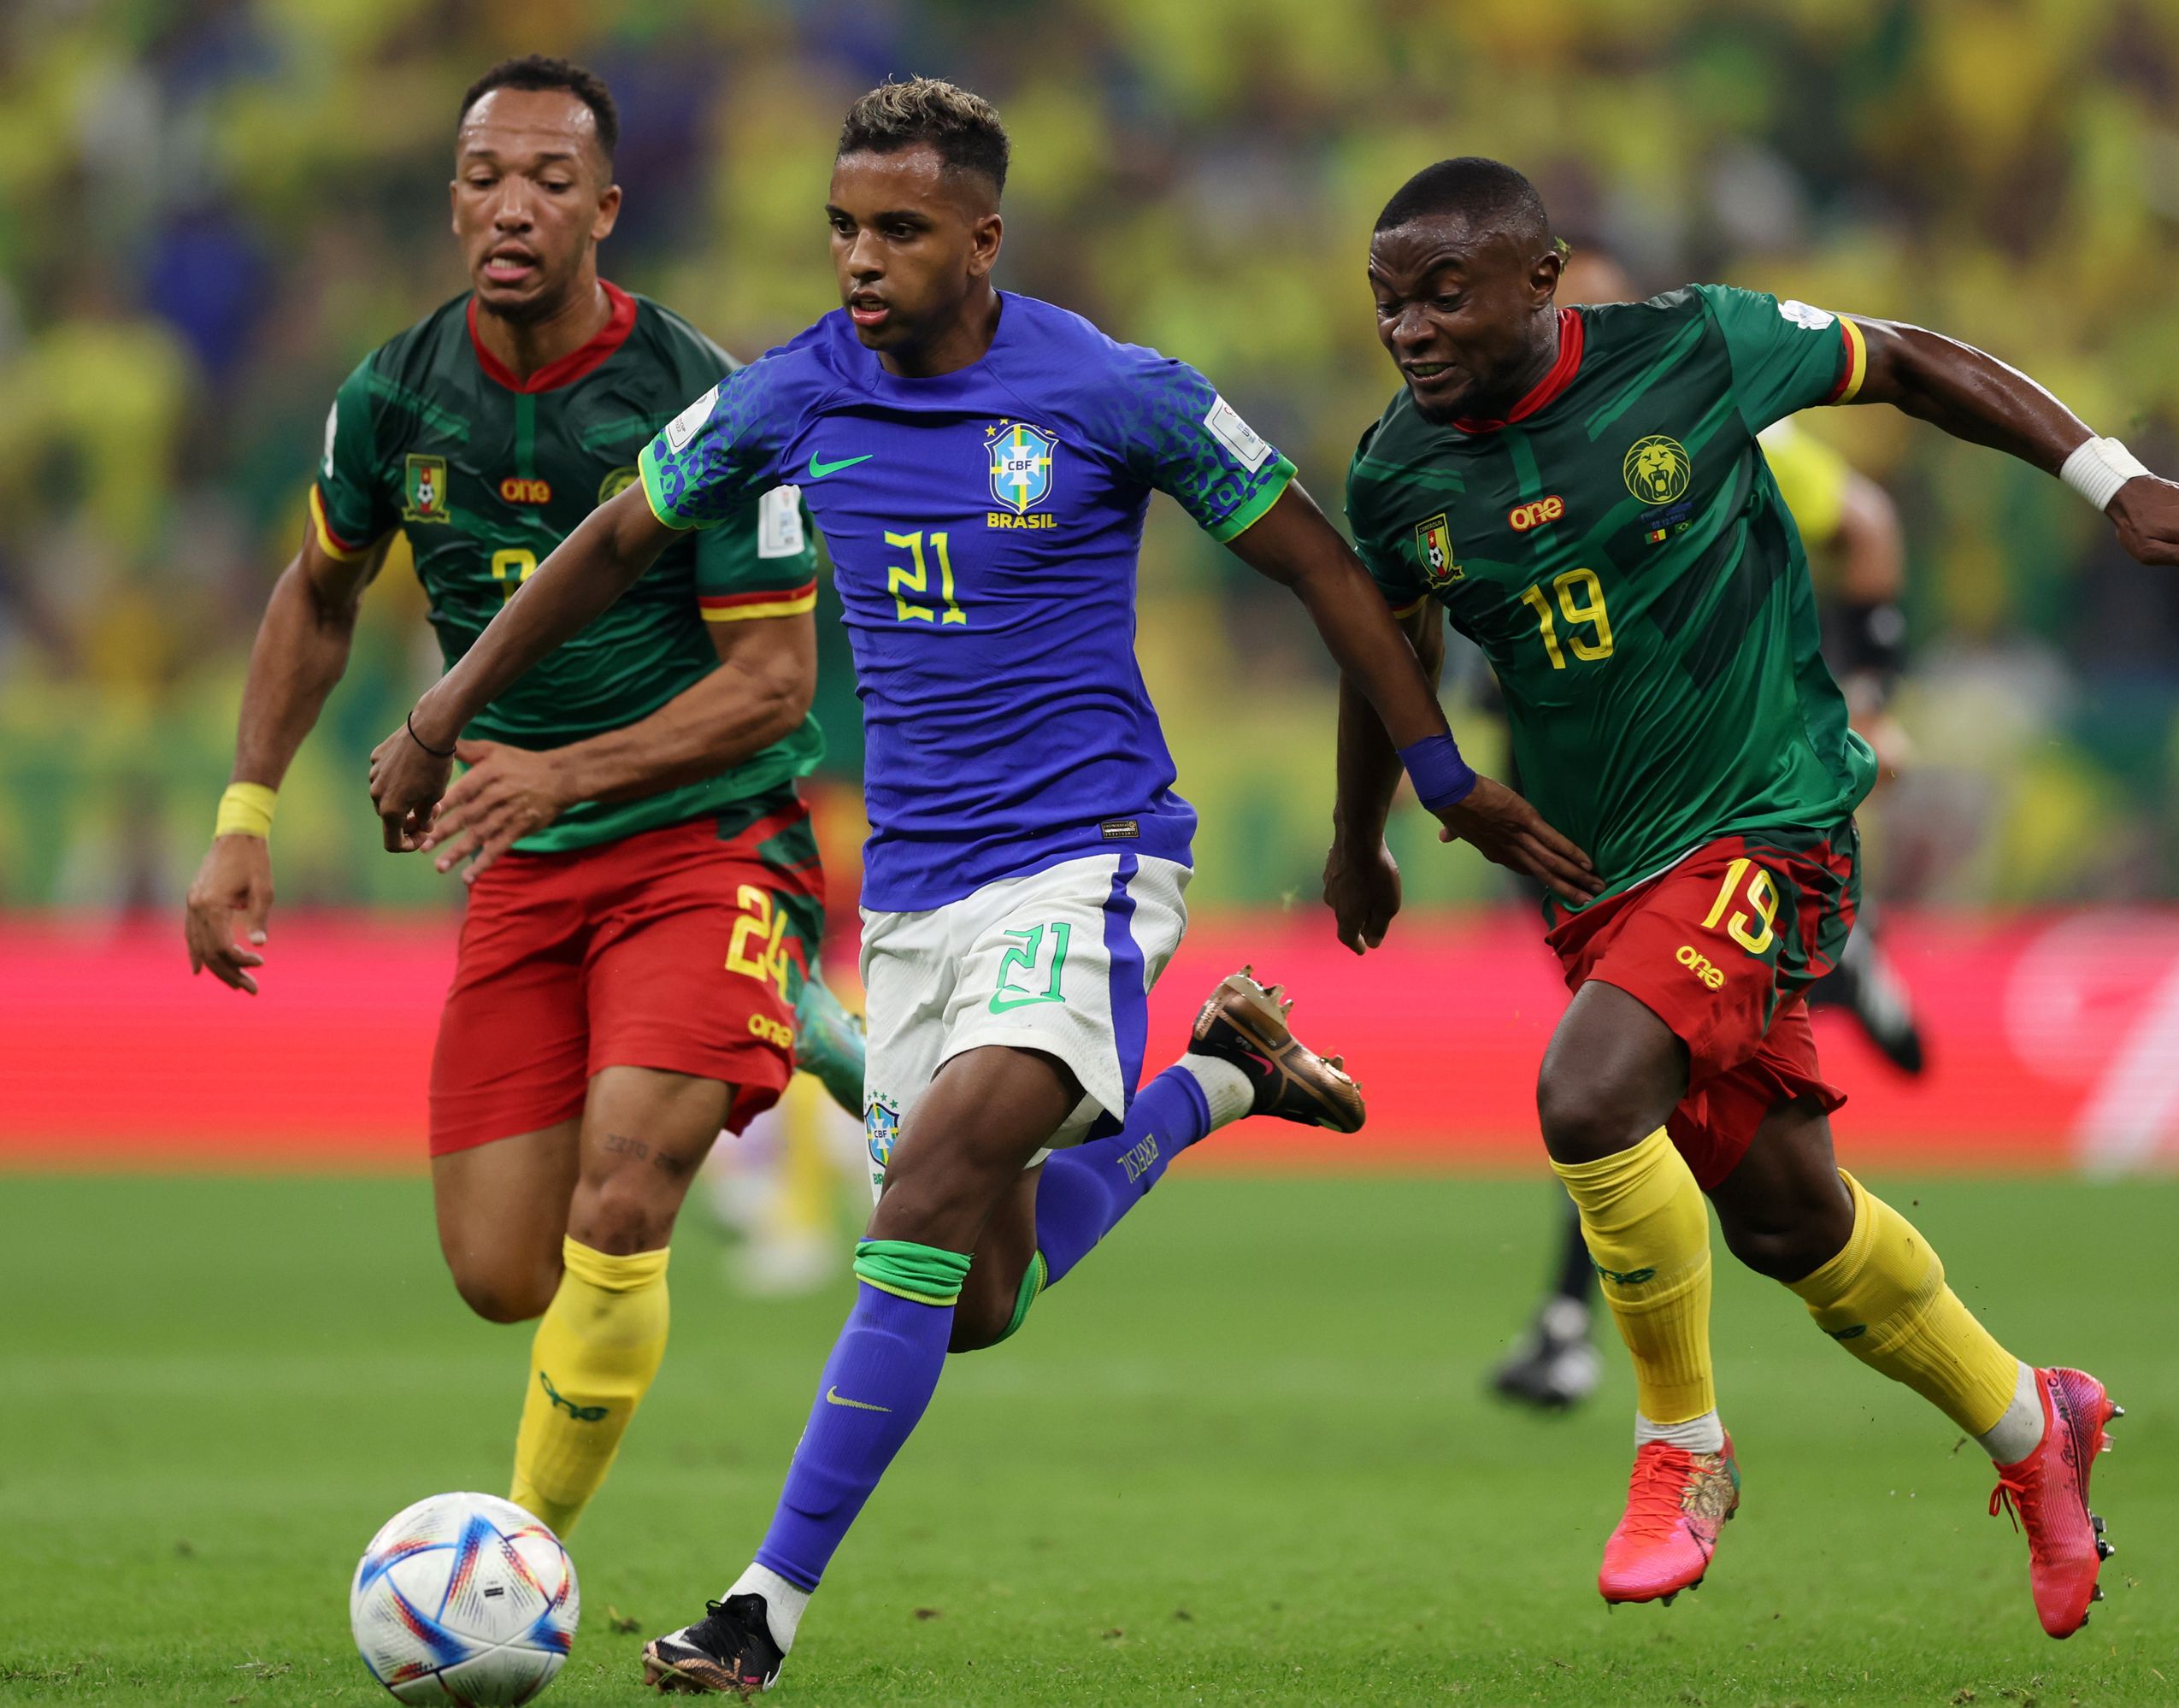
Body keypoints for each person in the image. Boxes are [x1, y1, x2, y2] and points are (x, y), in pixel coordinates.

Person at [366, 81, 1593, 1694]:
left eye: (899, 231)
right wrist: (442, 710)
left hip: (1087, 864)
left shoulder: (1109, 389)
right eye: (843, 228)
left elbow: (1317, 560)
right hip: (921, 904)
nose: (859, 260)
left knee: (930, 1195)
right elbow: (608, 542)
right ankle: (1227, 1075)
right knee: (974, 1295)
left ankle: (758, 1607)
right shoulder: (792, 390)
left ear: (985, 240)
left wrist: (1422, 789)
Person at [1328, 157, 2179, 1636]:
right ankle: (2038, 1425)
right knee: (1791, 1226)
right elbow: (1382, 656)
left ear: (1543, 277)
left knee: (1588, 1096)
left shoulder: (1695, 351)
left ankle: (1681, 1452)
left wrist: (2111, 479)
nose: (1410, 328)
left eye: (1443, 294)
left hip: (1770, 820)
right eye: (1390, 301)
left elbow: (1907, 360)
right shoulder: (1399, 470)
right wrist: (1365, 831)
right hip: (1604, 871)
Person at [181, 55, 868, 1546]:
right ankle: (794, 1026)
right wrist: (245, 815)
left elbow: (771, 689)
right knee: (503, 1272)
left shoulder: (706, 399)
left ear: (607, 209)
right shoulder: (392, 397)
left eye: (551, 181)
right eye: (487, 177)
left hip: (709, 838)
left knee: (622, 1197)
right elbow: (317, 595)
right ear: (450, 202)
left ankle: (516, 1555)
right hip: (527, 861)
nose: (513, 207)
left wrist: (550, 765)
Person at [1493, 245, 1926, 1413]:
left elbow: (1867, 521)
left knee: (1610, 1065)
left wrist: (1874, 690)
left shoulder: (1693, 406)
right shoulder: (1481, 452)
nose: (1570, 332)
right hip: (1586, 801)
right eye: (1554, 310)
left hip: (1719, 795)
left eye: (1594, 309)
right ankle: (2027, 1416)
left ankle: (1611, 1369)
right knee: (1664, 1103)